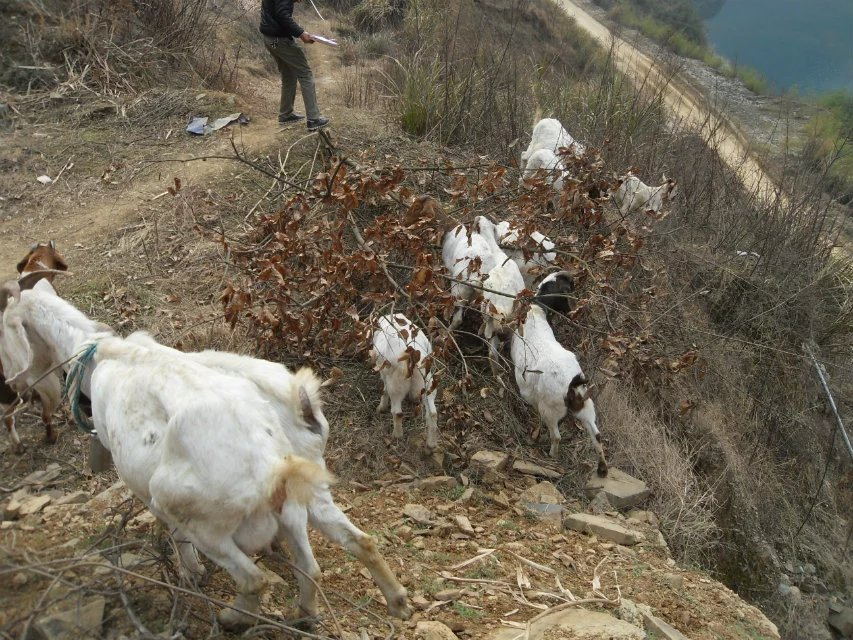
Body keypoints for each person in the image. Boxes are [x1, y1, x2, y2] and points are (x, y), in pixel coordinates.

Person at [259, 0, 329, 131]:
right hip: (280, 40)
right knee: (305, 74)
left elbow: (276, 9)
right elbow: (282, 15)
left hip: (269, 38)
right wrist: (301, 33)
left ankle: (286, 114)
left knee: (289, 74)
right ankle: (314, 119)